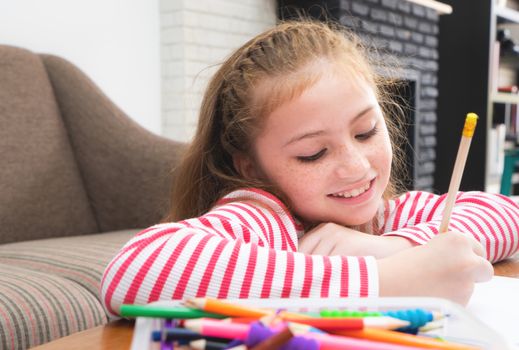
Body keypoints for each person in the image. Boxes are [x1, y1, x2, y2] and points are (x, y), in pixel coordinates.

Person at [100, 20, 519, 316]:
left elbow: (508, 213)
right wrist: (382, 280)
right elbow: (136, 269)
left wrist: (397, 248)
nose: (355, 167)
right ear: (251, 167)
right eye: (313, 154)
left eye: (366, 132)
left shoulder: (382, 216)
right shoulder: (263, 216)